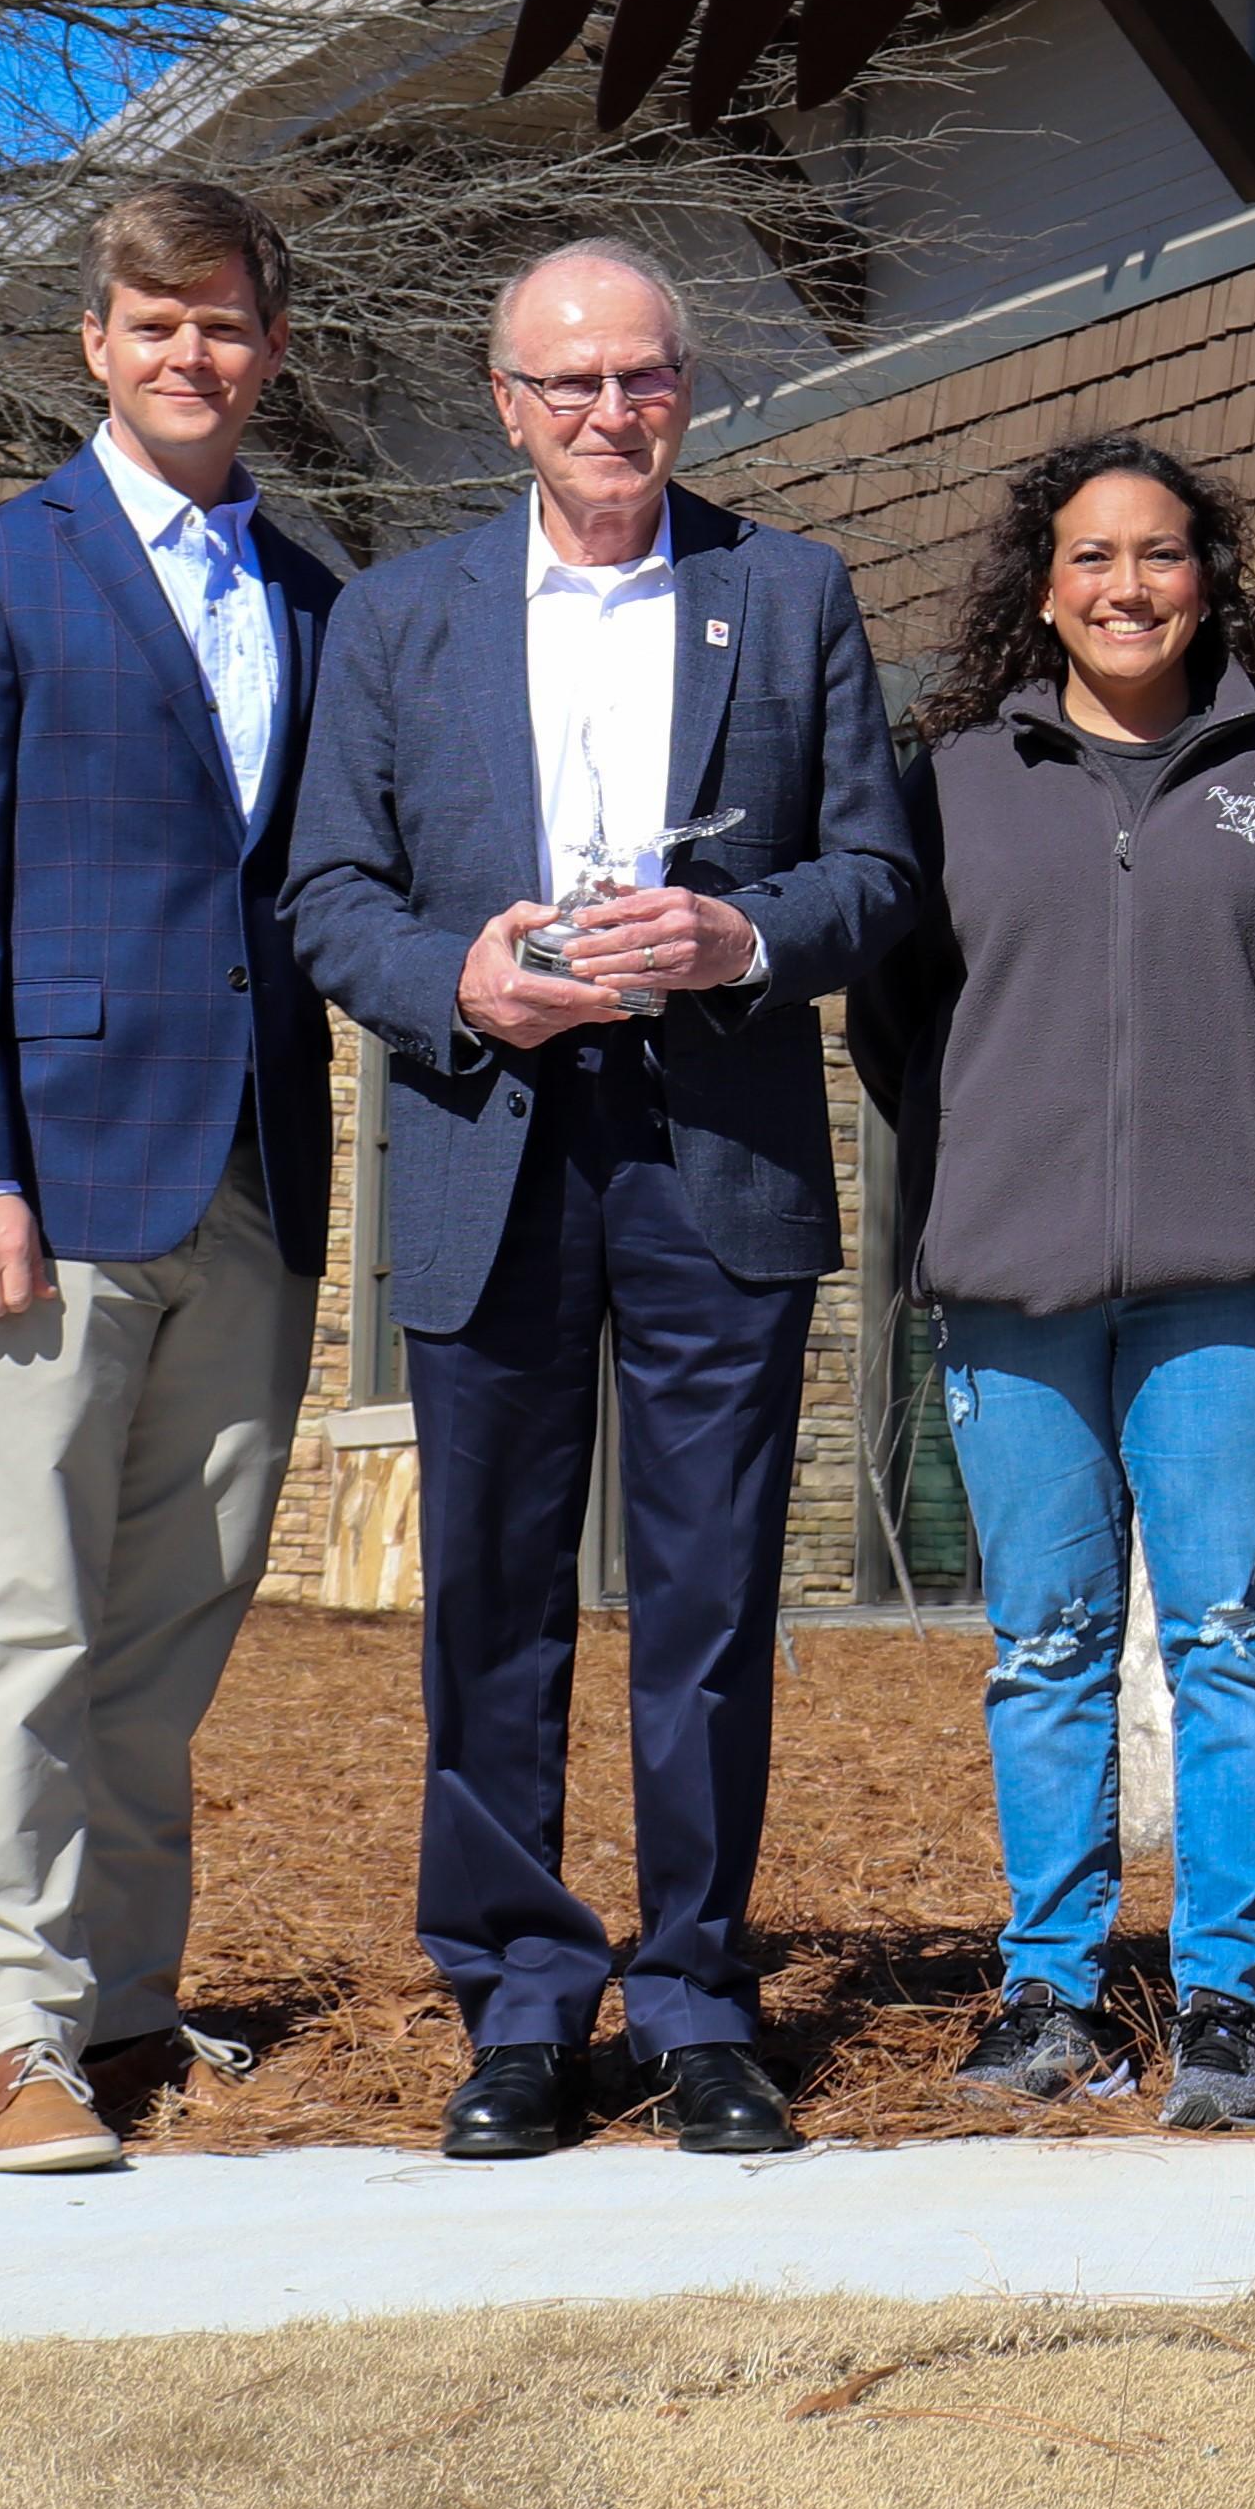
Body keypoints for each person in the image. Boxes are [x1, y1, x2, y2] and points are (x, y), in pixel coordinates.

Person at [283, 240, 917, 2161]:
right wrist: (455, 982)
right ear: (506, 404)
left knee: (712, 1600)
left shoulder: (786, 593)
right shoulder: (398, 620)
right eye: (568, 385)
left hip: (712, 1155)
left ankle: (704, 2000)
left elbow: (879, 876)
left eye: (640, 377)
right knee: (491, 1599)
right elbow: (329, 898)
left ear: (687, 386)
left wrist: (740, 930)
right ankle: (523, 2004)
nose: (609, 414)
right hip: (493, 1144)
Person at [0, 180, 345, 2176]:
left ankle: (126, 2001)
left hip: (252, 1175)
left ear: (270, 347)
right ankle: (8, 2030)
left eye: (223, 324)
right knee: (25, 1620)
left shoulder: (317, 586)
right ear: (96, 344)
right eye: (154, 324)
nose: (190, 355)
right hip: (36, 1192)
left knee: (171, 1625)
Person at [855, 433, 1255, 2130]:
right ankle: (1051, 1989)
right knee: (1046, 1643)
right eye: (1093, 558)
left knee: (1240, 1633)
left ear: (1208, 577)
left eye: (1160, 555)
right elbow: (897, 1029)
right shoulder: (952, 787)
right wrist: (992, 1173)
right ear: (1046, 587)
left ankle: (1228, 1996)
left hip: (1232, 1283)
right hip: (1013, 1287)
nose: (1127, 587)